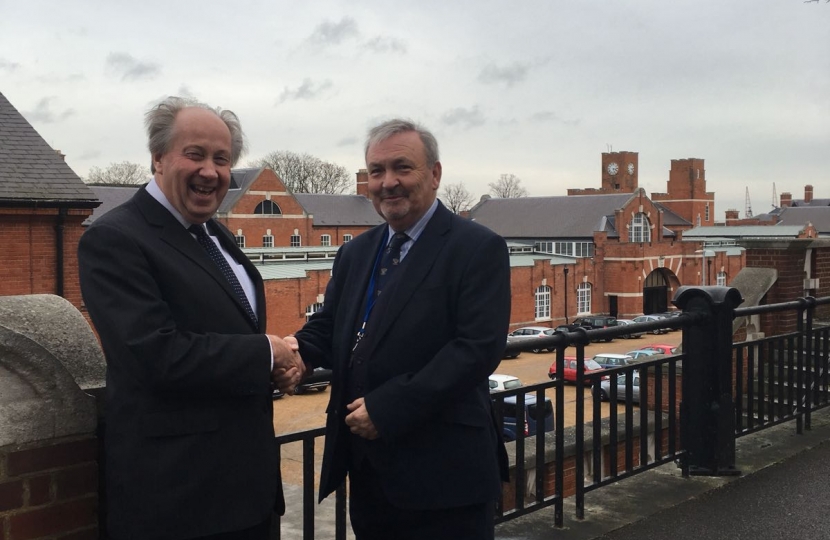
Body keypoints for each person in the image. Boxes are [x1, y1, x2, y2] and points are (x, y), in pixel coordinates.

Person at [78, 96, 304, 540]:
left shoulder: (213, 231)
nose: (210, 171)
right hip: (179, 504)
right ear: (158, 158)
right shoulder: (115, 238)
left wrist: (274, 365)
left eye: (222, 159)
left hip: (248, 495)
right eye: (195, 154)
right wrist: (265, 352)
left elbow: (228, 330)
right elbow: (154, 354)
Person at [293, 118, 511, 539]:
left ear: (435, 174)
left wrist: (389, 407)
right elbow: (332, 323)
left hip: (444, 476)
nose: (387, 182)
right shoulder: (357, 251)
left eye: (402, 168)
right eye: (376, 172)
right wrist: (294, 353)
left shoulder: (477, 248)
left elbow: (476, 349)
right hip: (370, 471)